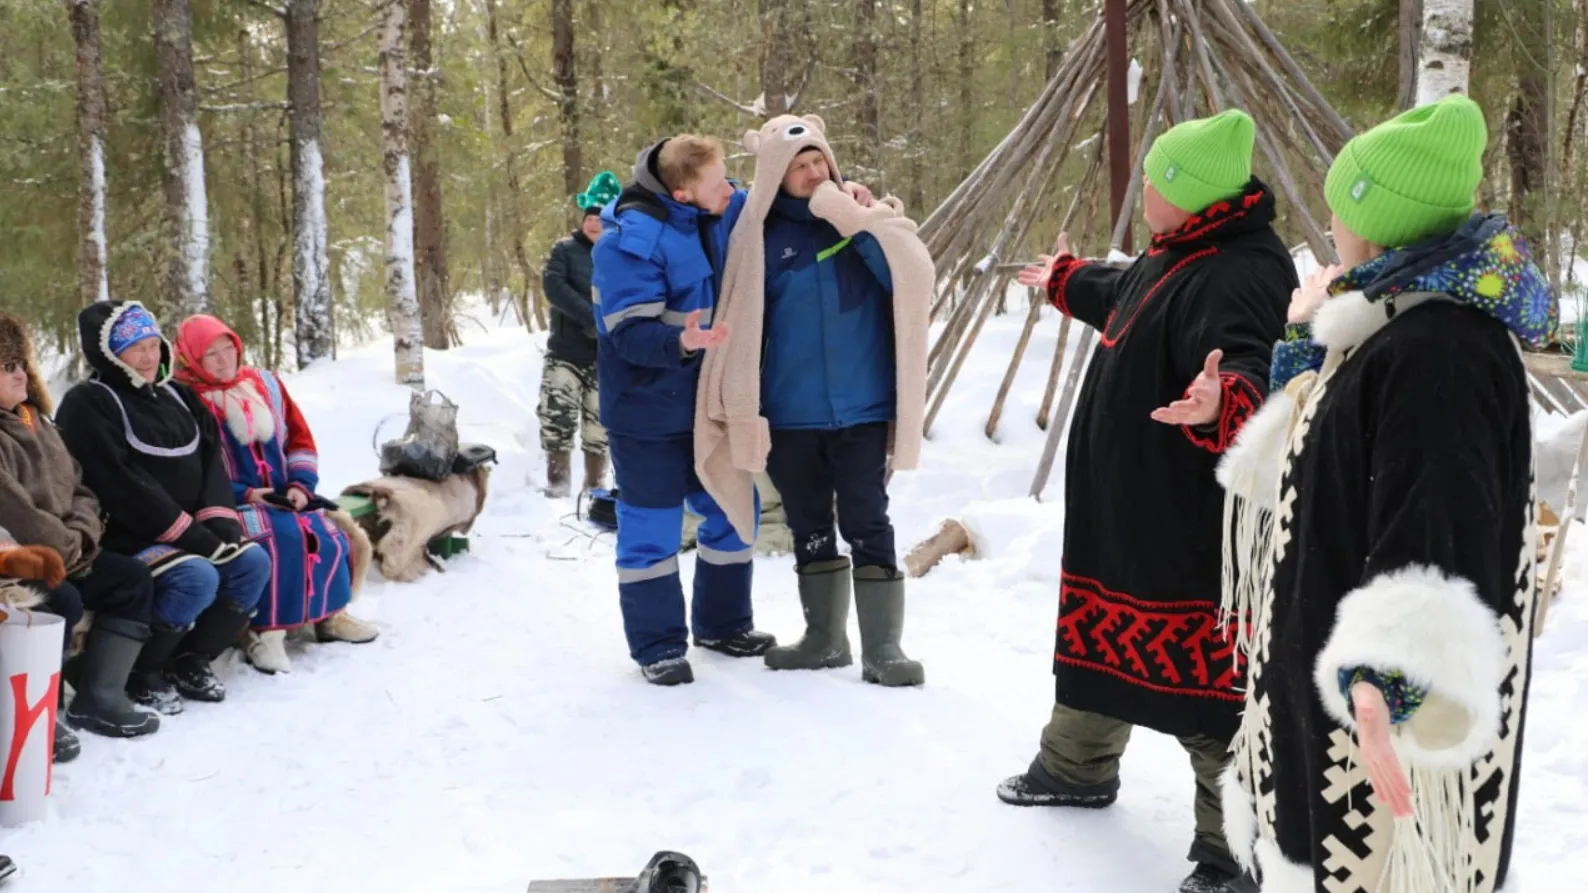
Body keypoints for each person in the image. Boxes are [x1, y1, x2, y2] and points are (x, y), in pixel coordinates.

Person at [1216, 95, 1549, 893]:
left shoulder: (1441, 350)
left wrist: (1390, 680)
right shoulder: (1394, 323)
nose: (1329, 225)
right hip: (1337, 688)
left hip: (1383, 716)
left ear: (1379, 219)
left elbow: (1437, 519)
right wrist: (1301, 343)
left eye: (1339, 208)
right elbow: (1329, 456)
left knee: (1381, 864)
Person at [1000, 109, 1293, 893]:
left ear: (1188, 197)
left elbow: (1249, 356)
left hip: (1185, 517)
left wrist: (1222, 395)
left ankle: (1231, 846)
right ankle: (1077, 765)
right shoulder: (1183, 249)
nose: (1144, 196)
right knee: (1101, 642)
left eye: (1156, 183)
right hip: (1126, 504)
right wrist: (1068, 281)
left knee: (1205, 690)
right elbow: (1125, 289)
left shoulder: (1241, 269)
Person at [591, 134, 871, 686]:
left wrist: (842, 191)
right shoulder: (627, 240)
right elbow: (626, 334)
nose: (732, 189)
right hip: (646, 414)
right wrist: (680, 343)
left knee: (733, 511)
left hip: (707, 407)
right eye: (720, 183)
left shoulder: (715, 208)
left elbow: (775, 199)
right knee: (652, 529)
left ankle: (722, 625)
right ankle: (658, 646)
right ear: (682, 192)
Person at [695, 115, 929, 687]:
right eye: (798, 165)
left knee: (868, 519)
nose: (812, 172)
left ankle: (884, 648)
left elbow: (907, 279)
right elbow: (740, 312)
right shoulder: (757, 237)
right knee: (808, 523)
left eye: (818, 160)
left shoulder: (860, 219)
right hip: (789, 411)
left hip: (863, 407)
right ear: (776, 171)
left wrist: (855, 218)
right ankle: (825, 639)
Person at [55, 300, 271, 714]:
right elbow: (120, 484)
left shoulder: (180, 397)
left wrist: (219, 524)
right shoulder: (89, 403)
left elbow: (212, 462)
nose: (149, 356)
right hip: (126, 532)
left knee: (251, 563)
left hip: (195, 529)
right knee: (195, 576)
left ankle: (192, 657)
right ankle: (143, 669)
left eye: (153, 344)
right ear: (109, 354)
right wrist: (192, 536)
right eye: (136, 348)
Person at [172, 314, 377, 675]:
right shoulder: (183, 400)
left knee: (325, 532)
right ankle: (262, 632)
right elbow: (192, 473)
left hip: (285, 495)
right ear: (190, 359)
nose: (224, 361)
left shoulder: (264, 382)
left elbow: (299, 438)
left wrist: (300, 485)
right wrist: (248, 493)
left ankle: (330, 616)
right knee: (278, 538)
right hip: (227, 502)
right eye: (211, 356)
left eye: (228, 350)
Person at [0, 312, 160, 753]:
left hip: (70, 551)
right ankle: (35, 716)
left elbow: (83, 488)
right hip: (17, 561)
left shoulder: (38, 421)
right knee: (61, 600)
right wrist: (68, 544)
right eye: (5, 366)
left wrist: (80, 537)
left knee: (131, 580)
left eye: (20, 363)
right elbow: (18, 513)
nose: (19, 374)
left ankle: (99, 697)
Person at [539, 170, 619, 497]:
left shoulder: (621, 254)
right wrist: (590, 315)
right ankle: (557, 485)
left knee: (599, 425)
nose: (594, 222)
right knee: (556, 417)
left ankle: (595, 487)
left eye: (601, 217)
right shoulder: (564, 249)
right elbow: (553, 286)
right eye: (590, 216)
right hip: (565, 353)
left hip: (604, 358)